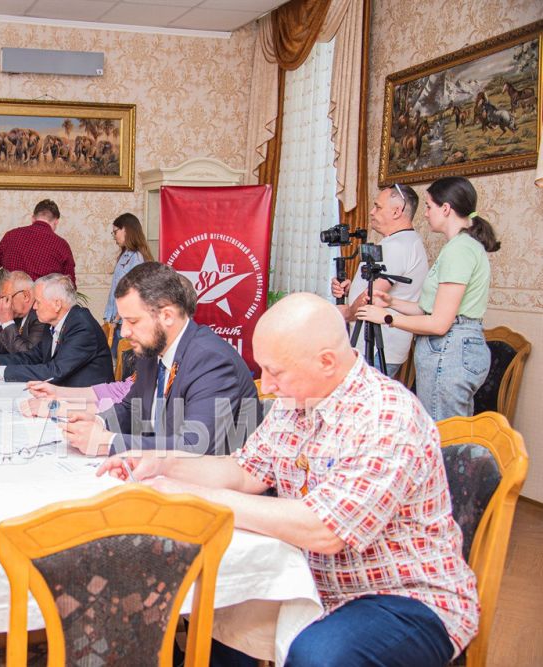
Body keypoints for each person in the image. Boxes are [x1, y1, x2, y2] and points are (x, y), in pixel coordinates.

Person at [99, 293, 478, 666]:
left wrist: (191, 494)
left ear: (327, 362)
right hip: (311, 578)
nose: (268, 386)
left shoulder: (386, 416)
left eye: (276, 373)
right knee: (219, 609)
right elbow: (245, 471)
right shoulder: (296, 402)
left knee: (320, 655)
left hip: (403, 597)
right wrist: (160, 464)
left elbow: (325, 531)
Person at [59, 262, 260, 457]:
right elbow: (131, 408)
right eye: (123, 320)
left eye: (133, 321)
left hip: (209, 484)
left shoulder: (211, 361)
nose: (125, 331)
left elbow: (194, 445)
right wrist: (99, 422)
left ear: (167, 316)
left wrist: (107, 442)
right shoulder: (152, 350)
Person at [357, 176, 499, 420]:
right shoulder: (460, 247)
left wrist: (386, 317)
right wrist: (392, 303)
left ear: (446, 209)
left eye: (429, 206)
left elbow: (439, 323)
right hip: (452, 349)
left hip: (449, 352)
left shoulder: (460, 250)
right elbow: (431, 310)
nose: (424, 214)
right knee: (450, 438)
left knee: (442, 439)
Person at [331, 184, 428, 378]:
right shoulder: (407, 241)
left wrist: (347, 313)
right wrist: (352, 288)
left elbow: (372, 295)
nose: (372, 212)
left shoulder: (397, 246)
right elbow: (381, 286)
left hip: (375, 345)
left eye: (378, 207)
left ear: (396, 211)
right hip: (383, 342)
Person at [0, 273, 113, 387]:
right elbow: (30, 357)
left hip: (91, 405)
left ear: (57, 304)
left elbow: (54, 372)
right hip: (63, 395)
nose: (34, 307)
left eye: (38, 302)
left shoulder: (81, 326)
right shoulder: (54, 323)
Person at [0, 199, 76, 285]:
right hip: (43, 301)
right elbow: (70, 286)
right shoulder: (61, 245)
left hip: (12, 299)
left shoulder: (11, 236)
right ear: (56, 222)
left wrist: (3, 286)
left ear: (33, 218)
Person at [103, 213, 153, 356]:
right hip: (115, 320)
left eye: (115, 232)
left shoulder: (136, 257)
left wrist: (117, 318)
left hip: (123, 322)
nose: (114, 237)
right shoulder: (125, 255)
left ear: (125, 230)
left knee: (121, 365)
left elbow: (132, 291)